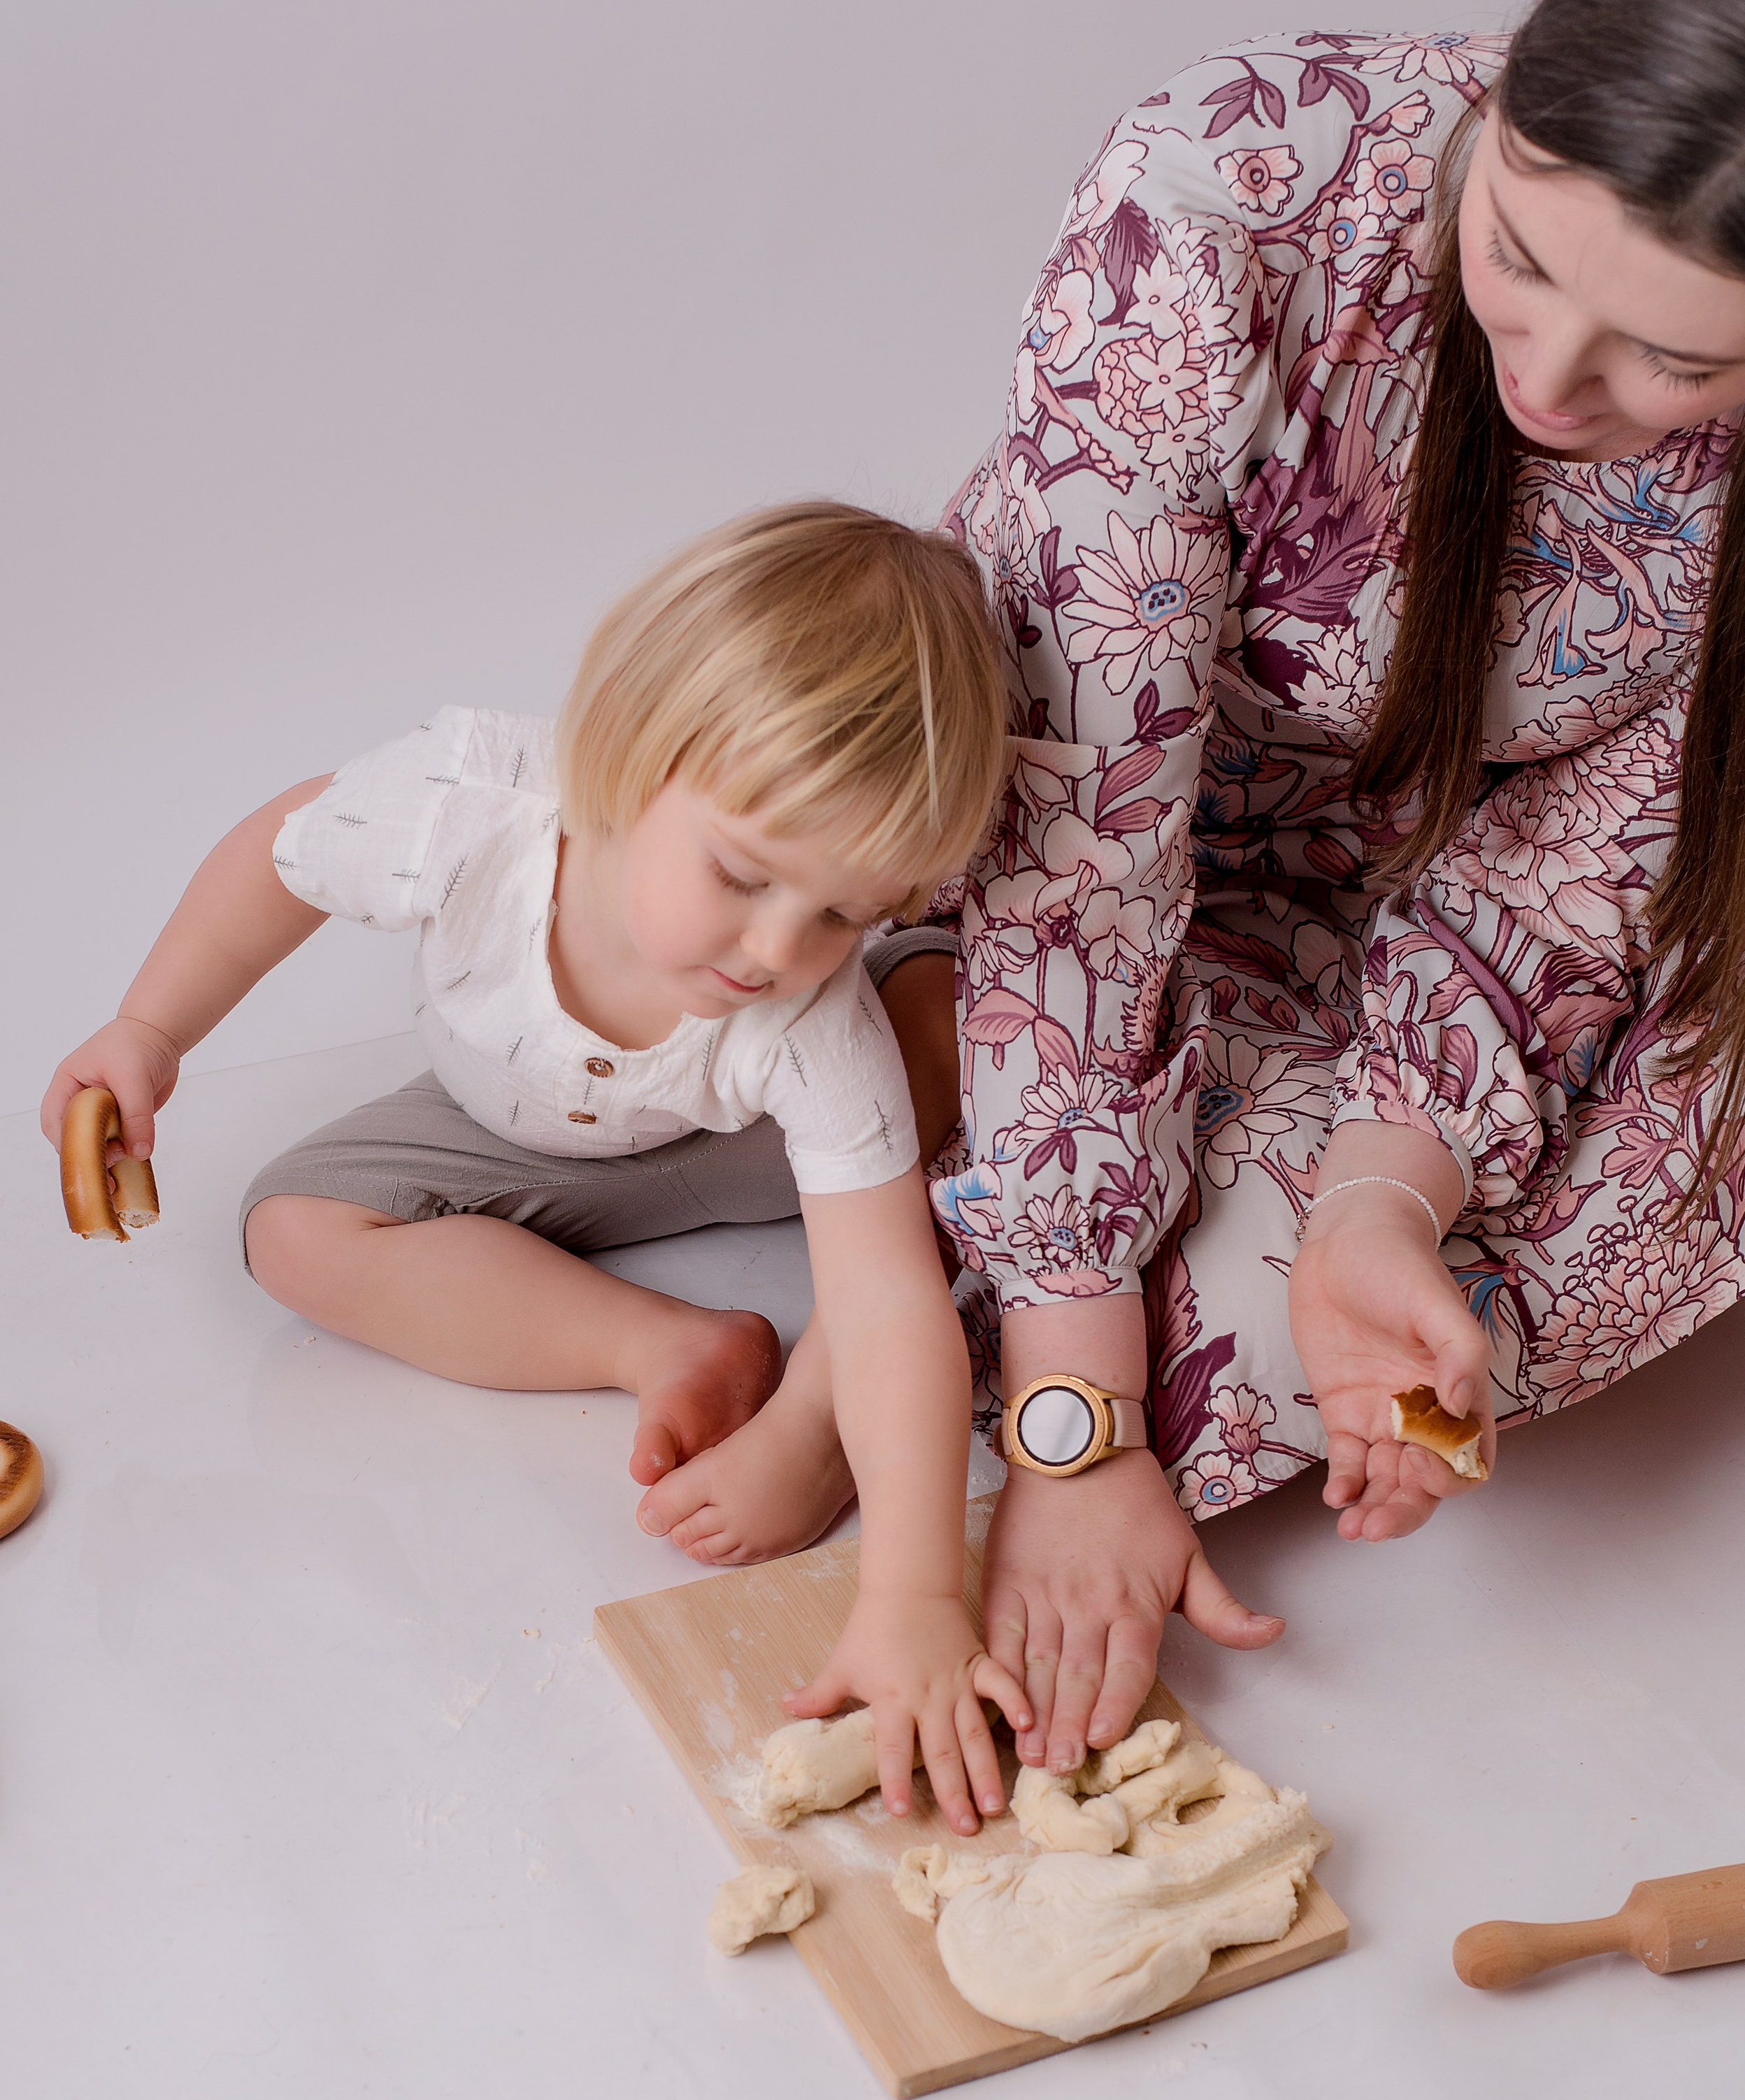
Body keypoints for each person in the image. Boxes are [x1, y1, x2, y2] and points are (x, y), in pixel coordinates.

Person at [899, 0, 1745, 1778]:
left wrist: (1394, 1189)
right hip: (1121, 849)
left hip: (1467, 930)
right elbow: (1083, 830)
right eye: (1529, 258)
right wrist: (1078, 1420)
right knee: (1089, 1279)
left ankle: (921, 1264)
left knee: (1442, 1287)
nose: (1554, 373)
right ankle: (976, 1254)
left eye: (1680, 363)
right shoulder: (1229, 185)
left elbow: (1602, 875)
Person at [41, 502, 1030, 1831]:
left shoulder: (808, 1014)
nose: (780, 947)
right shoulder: (470, 813)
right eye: (743, 874)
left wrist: (916, 1598)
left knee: (955, 1047)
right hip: (513, 1136)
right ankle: (661, 1348)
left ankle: (808, 1423)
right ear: (626, 747)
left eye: (847, 909)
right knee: (291, 1232)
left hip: (762, 1151)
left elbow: (893, 1305)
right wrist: (151, 1028)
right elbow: (277, 859)